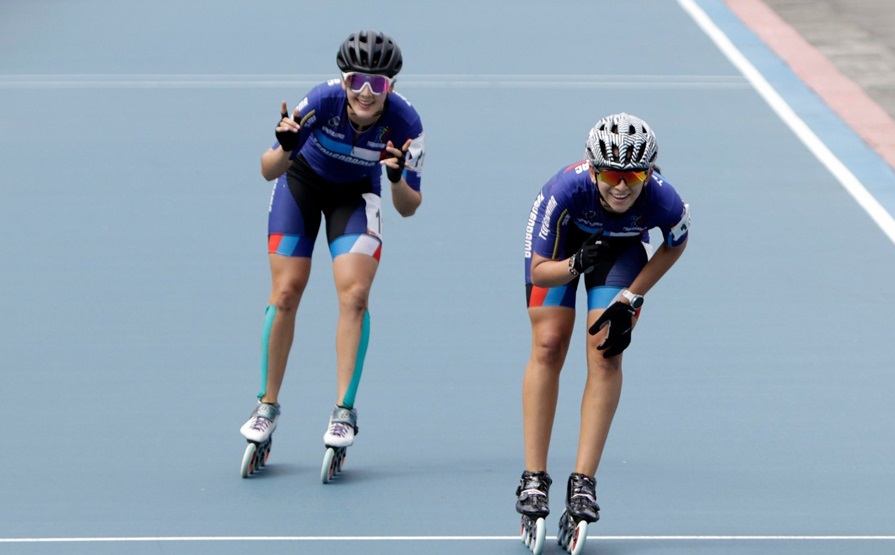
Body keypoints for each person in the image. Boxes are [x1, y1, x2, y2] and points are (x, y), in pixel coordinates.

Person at [239, 29, 426, 457]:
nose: (366, 92)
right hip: (301, 183)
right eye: (357, 81)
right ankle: (266, 404)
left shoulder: (407, 126)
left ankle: (344, 411)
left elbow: (409, 207)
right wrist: (285, 149)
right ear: (343, 81)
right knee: (286, 291)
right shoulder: (319, 102)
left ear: (391, 87)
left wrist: (397, 178)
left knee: (355, 296)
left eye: (377, 83)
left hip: (355, 194)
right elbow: (268, 170)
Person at [516, 113, 689, 528]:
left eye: (634, 176)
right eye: (611, 174)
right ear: (593, 169)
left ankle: (584, 482)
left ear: (649, 173)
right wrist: (576, 263)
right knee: (548, 344)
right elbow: (540, 272)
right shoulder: (564, 191)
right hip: (562, 251)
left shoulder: (666, 200)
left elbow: (676, 243)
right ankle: (534, 476)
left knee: (606, 351)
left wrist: (632, 296)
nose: (622, 186)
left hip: (622, 252)